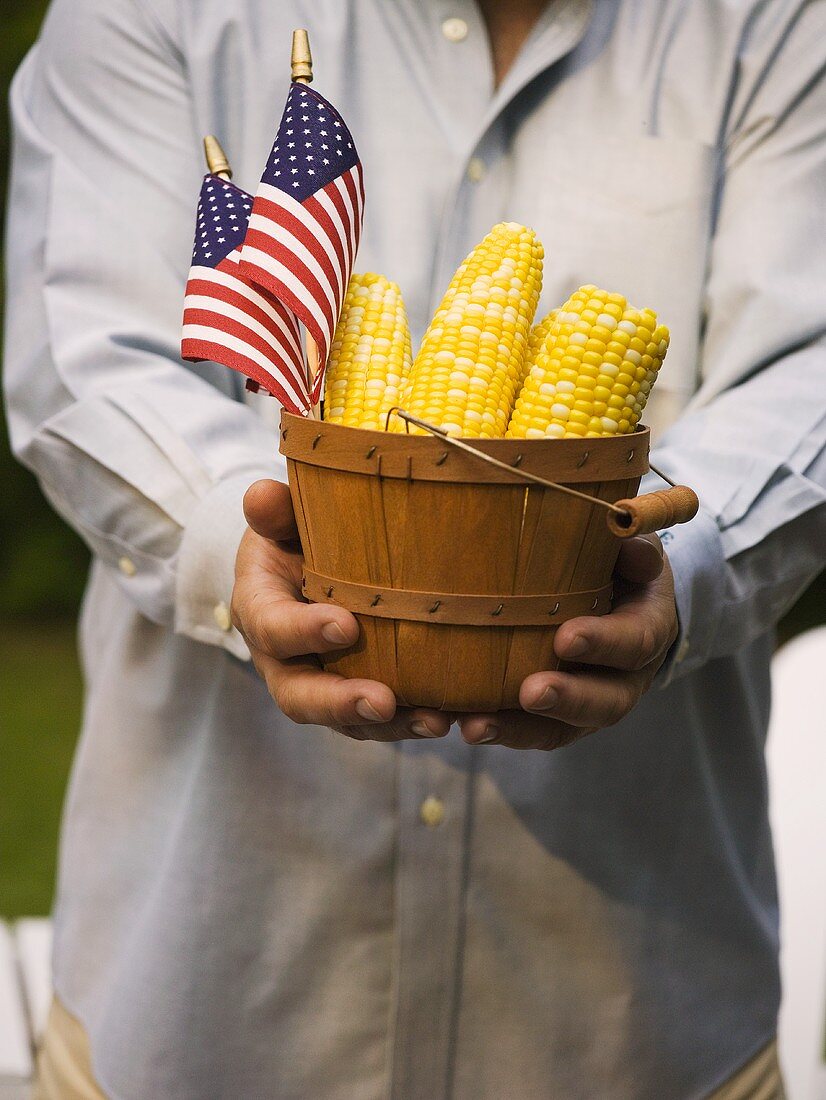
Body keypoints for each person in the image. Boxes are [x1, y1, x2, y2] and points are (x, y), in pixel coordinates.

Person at [5, 0, 825, 1096]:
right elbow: (85, 347)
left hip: (630, 1032)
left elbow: (807, 368)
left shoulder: (778, 25)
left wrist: (680, 556)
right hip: (209, 1014)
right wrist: (231, 537)